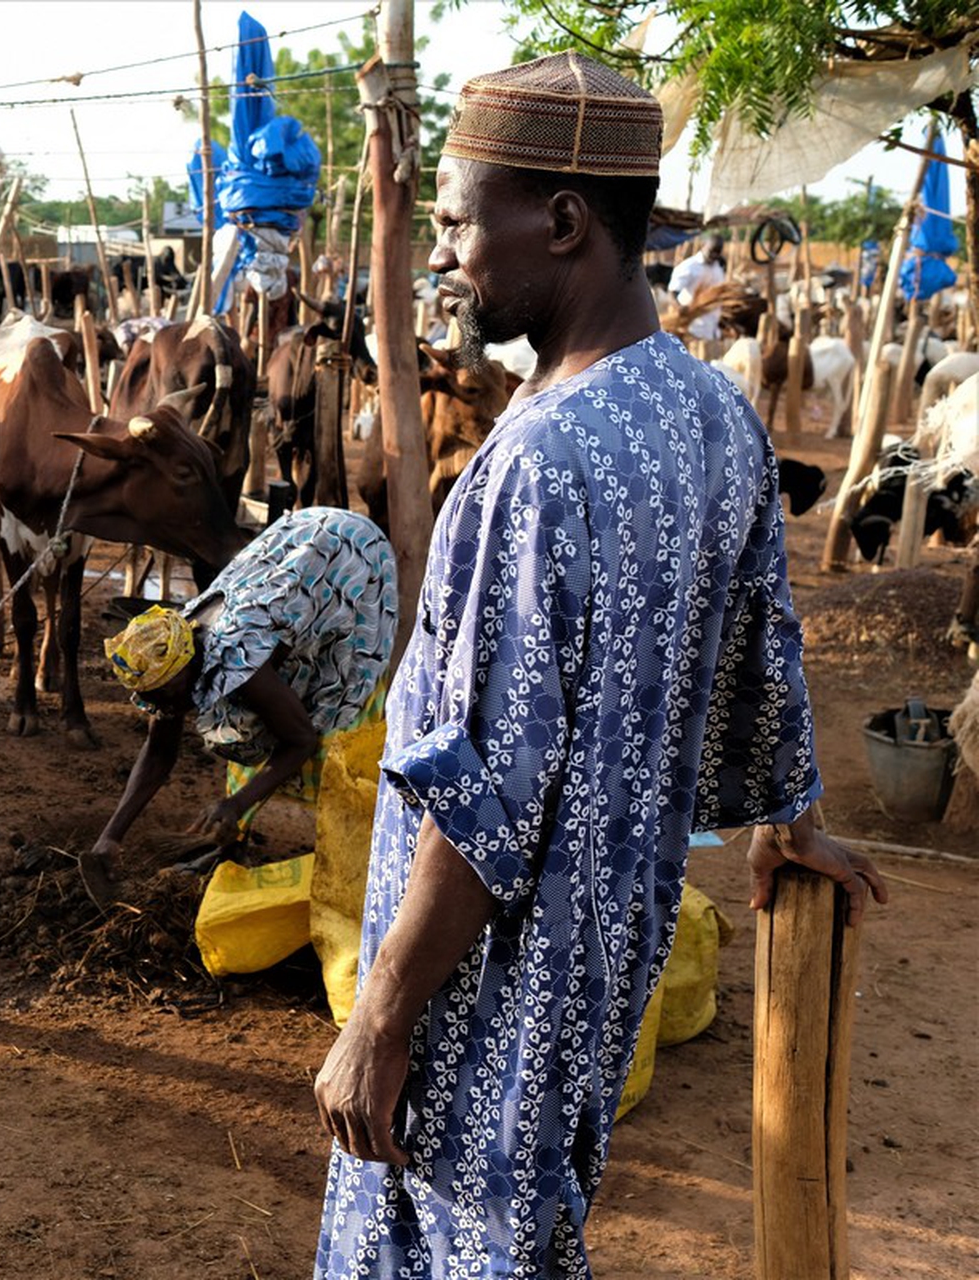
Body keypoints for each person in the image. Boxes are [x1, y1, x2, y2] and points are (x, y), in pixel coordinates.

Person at [309, 52, 888, 1278]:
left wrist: (380, 1017)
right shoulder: (713, 416)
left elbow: (482, 791)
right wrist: (786, 817)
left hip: (486, 989)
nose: (449, 250)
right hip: (597, 971)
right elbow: (758, 650)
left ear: (565, 223)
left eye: (465, 218)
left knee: (438, 1245)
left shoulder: (543, 460)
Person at [80, 506, 396, 904]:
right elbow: (159, 751)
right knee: (246, 717)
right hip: (294, 553)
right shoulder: (167, 655)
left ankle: (348, 872)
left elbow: (301, 741)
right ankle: (233, 845)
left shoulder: (242, 657)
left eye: (160, 697)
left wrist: (236, 802)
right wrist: (112, 834)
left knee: (331, 708)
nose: (155, 706)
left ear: (188, 668)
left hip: (350, 556)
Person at [668, 231, 728, 354]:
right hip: (692, 329)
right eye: (711, 251)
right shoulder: (689, 266)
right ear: (704, 245)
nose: (714, 256)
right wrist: (679, 307)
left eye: (717, 253)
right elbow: (672, 291)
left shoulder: (718, 268)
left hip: (711, 330)